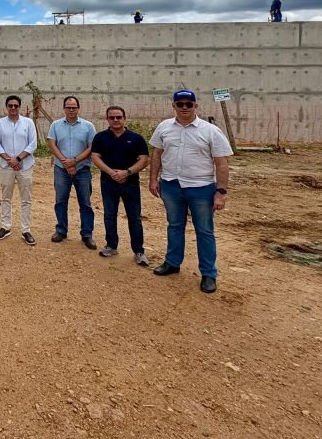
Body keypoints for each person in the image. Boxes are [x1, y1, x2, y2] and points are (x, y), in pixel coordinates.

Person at [149, 89, 233, 293]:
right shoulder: (164, 127)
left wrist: (220, 193)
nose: (184, 108)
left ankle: (208, 274)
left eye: (189, 104)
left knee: (204, 231)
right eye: (180, 104)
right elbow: (157, 154)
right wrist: (153, 179)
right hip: (171, 185)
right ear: (174, 106)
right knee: (174, 225)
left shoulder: (210, 131)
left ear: (196, 106)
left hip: (201, 188)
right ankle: (172, 262)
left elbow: (221, 163)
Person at [90, 106, 150, 265]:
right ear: (107, 119)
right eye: (112, 118)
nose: (115, 120)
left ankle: (138, 251)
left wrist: (127, 172)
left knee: (134, 217)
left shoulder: (136, 138)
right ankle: (111, 245)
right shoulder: (101, 137)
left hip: (131, 184)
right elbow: (95, 156)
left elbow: (144, 159)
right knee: (109, 215)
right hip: (108, 183)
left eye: (118, 117)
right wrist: (111, 173)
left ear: (124, 118)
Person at [47, 96, 97, 248]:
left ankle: (87, 234)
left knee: (85, 203)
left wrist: (74, 161)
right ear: (64, 108)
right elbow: (52, 144)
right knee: (60, 201)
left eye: (74, 107)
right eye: (68, 107)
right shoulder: (55, 125)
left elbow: (91, 147)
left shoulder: (88, 126)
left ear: (78, 108)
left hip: (82, 169)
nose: (71, 110)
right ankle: (61, 230)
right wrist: (65, 162)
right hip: (61, 169)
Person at [0, 95, 38, 245]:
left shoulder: (28, 123)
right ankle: (5, 227)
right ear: (6, 107)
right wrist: (9, 160)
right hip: (6, 167)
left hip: (25, 166)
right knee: (5, 198)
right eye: (10, 106)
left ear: (19, 107)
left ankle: (26, 230)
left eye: (15, 106)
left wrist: (17, 159)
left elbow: (33, 144)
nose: (13, 108)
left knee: (26, 199)